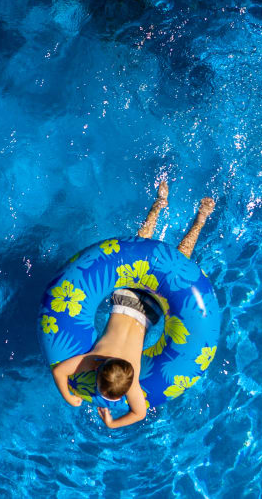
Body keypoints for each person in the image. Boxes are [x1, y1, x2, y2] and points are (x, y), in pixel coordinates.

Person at [51, 182, 215, 428]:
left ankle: (192, 215)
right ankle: (168, 208)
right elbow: (60, 372)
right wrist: (72, 397)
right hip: (123, 300)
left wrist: (110, 422)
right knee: (143, 251)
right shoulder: (94, 359)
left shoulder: (132, 380)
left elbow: (138, 413)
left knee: (178, 262)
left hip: (150, 311)